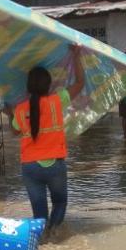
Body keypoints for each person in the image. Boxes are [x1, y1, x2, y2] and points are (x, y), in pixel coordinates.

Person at [9, 44, 86, 234]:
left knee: (39, 213)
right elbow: (80, 83)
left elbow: (15, 131)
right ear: (49, 85)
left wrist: (9, 113)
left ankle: (42, 239)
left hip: (30, 166)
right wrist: (76, 56)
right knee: (60, 202)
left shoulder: (20, 109)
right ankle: (54, 234)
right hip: (54, 164)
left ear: (28, 86)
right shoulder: (56, 101)